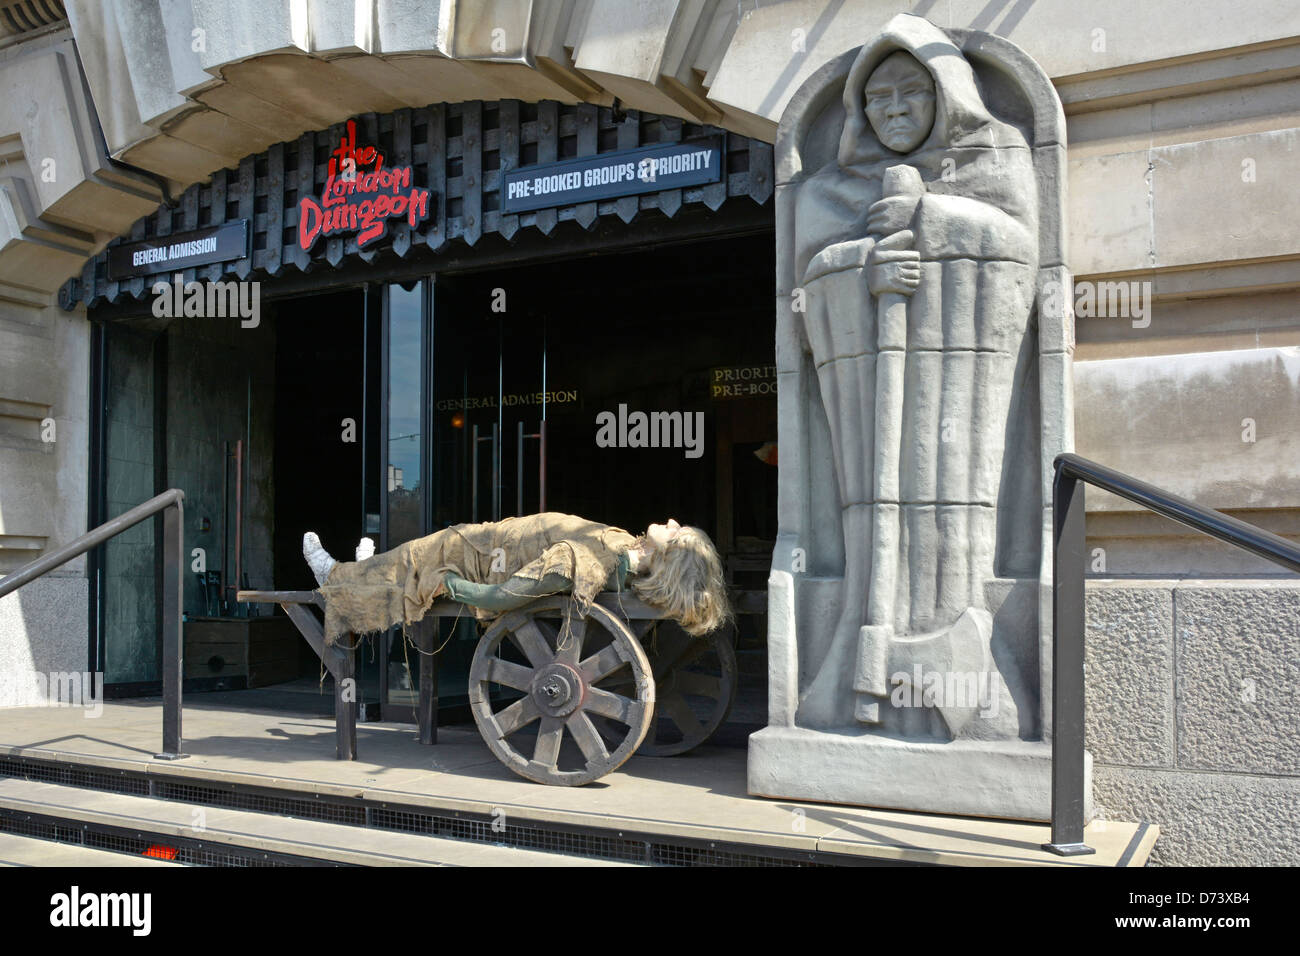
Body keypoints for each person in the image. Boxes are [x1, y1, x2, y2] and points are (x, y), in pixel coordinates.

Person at [302, 513, 731, 643]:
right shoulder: (622, 552)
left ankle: (337, 576)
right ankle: (363, 570)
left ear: (669, 555)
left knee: (419, 557)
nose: (672, 521)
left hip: (482, 556)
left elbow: (502, 596)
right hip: (492, 542)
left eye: (676, 532)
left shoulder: (584, 562)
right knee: (409, 557)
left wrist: (451, 585)